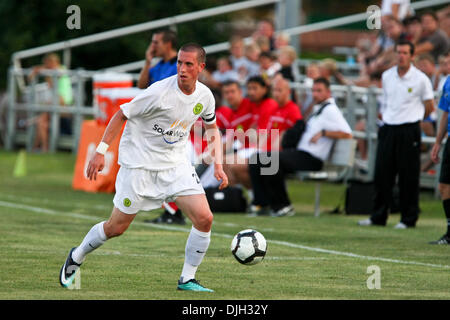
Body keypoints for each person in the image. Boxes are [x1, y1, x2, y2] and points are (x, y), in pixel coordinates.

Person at [59, 43, 228, 292]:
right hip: (139, 166)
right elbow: (120, 114)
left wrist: (219, 166)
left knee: (204, 218)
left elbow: (212, 128)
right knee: (116, 228)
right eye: (180, 63)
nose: (182, 68)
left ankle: (187, 279)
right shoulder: (158, 92)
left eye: (188, 64)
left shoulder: (205, 96)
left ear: (201, 67)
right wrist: (100, 152)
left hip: (175, 165)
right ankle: (77, 255)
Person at [248, 77, 352, 216]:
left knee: (269, 160)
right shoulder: (320, 109)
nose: (315, 94)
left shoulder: (330, 110)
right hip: (302, 154)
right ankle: (262, 203)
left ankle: (283, 205)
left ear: (328, 92)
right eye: (313, 91)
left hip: (312, 158)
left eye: (319, 91)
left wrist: (324, 133)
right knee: (257, 159)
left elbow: (347, 133)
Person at [358, 40, 435, 229]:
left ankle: (408, 218)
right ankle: (378, 215)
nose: (401, 56)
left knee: (408, 175)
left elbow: (429, 106)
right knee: (382, 173)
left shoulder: (420, 79)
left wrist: (414, 118)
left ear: (412, 56)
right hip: (388, 127)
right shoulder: (387, 76)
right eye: (399, 52)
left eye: (405, 53)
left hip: (409, 129)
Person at [28, 53, 73, 152]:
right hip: (59, 103)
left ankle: (40, 148)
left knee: (40, 121)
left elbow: (55, 72)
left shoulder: (60, 70)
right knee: (41, 123)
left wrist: (38, 70)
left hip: (63, 104)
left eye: (47, 64)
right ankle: (39, 148)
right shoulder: (55, 72)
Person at [429, 75, 450, 244]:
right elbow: (445, 113)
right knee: (444, 186)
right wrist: (438, 141)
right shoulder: (448, 81)